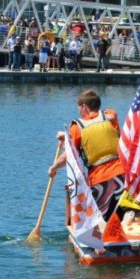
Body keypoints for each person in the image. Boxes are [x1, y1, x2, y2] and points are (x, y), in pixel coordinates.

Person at [47, 90, 126, 222]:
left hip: (101, 178)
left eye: (79, 108)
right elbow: (100, 129)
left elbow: (69, 155)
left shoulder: (77, 127)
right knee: (120, 216)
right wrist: (66, 137)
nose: (79, 111)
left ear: (84, 107)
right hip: (122, 174)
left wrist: (53, 167)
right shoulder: (111, 116)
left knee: (98, 220)